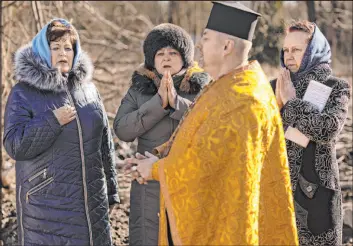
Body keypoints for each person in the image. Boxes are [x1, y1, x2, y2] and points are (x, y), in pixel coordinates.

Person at [124, 2, 299, 245]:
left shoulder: (244, 99)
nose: (199, 46)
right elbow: (196, 138)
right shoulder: (228, 85)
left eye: (205, 38)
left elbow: (207, 165)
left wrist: (156, 170)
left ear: (227, 46)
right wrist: (157, 158)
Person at [3, 18, 119, 246]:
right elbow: (14, 144)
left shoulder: (90, 90)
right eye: (55, 47)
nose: (63, 53)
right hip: (48, 206)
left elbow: (105, 141)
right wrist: (52, 121)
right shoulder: (23, 92)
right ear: (43, 51)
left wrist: (112, 190)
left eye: (68, 47)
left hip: (92, 204)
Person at [113, 23, 209, 245]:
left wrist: (176, 103)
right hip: (148, 185)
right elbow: (122, 129)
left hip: (187, 180)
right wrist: (158, 104)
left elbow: (209, 125)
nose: (166, 57)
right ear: (151, 59)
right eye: (160, 53)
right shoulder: (139, 89)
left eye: (173, 52)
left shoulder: (201, 89)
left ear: (185, 57)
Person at [270, 20, 351, 245]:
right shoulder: (272, 87)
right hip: (276, 195)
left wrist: (292, 103)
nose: (289, 55)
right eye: (285, 50)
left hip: (317, 202)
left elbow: (328, 128)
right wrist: (275, 107)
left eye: (296, 49)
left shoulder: (336, 87)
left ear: (314, 50)